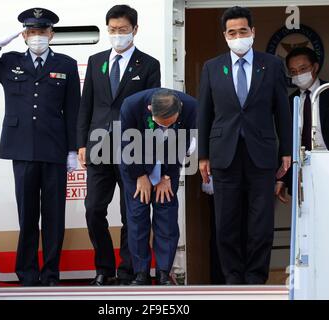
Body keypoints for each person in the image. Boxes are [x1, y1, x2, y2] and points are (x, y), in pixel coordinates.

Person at [0, 7, 80, 286]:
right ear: (24, 34)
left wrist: (73, 149)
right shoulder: (9, 61)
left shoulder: (66, 64)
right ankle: (27, 274)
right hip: (22, 148)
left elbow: (73, 109)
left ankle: (51, 274)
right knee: (27, 214)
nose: (37, 36)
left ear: (51, 34)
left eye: (42, 31)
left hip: (54, 149)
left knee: (54, 216)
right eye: (32, 32)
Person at [197, 6, 292, 285]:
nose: (238, 36)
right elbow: (205, 113)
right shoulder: (212, 67)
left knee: (260, 224)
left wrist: (285, 150)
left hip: (261, 155)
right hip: (223, 155)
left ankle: (255, 278)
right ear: (224, 35)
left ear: (253, 32)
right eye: (232, 32)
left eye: (242, 31)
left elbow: (282, 112)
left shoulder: (271, 64)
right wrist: (203, 155)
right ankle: (233, 278)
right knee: (226, 223)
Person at [76, 4, 161, 286]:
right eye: (112, 30)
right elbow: (86, 106)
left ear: (135, 30)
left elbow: (153, 113)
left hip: (132, 148)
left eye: (123, 30)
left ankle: (128, 270)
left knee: (132, 213)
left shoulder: (149, 65)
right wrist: (82, 143)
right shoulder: (97, 60)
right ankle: (104, 268)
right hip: (98, 147)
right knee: (93, 209)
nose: (117, 35)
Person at [119, 88, 197, 285]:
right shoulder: (131, 105)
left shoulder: (190, 107)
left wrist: (167, 176)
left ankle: (163, 272)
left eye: (170, 124)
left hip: (168, 167)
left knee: (167, 219)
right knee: (137, 218)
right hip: (135, 166)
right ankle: (140, 273)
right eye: (161, 124)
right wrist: (140, 176)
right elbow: (126, 144)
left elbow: (184, 142)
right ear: (149, 110)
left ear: (179, 111)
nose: (165, 128)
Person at [276, 47, 329, 202]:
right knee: (306, 219)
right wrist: (282, 179)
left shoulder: (327, 91)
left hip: (326, 163)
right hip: (302, 170)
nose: (299, 75)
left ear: (315, 67)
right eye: (293, 71)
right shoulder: (290, 102)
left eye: (303, 69)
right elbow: (286, 142)